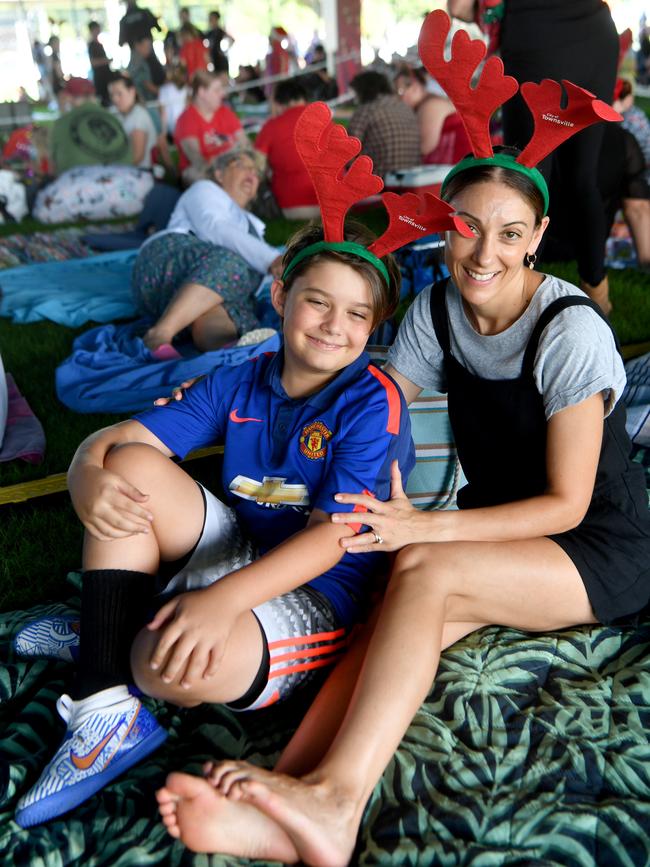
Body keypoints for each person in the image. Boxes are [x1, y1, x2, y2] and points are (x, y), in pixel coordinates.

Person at [151, 19, 650, 864]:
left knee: (421, 562)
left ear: (536, 236)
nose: (482, 251)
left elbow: (568, 504)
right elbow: (367, 398)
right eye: (465, 226)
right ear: (443, 224)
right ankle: (292, 789)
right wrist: (246, 392)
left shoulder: (568, 329)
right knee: (394, 604)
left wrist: (423, 524)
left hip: (593, 545)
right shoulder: (433, 311)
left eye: (507, 232)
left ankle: (335, 807)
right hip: (497, 527)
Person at [13, 216, 416, 830]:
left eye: (358, 314)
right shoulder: (240, 376)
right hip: (243, 548)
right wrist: (81, 474)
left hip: (320, 590)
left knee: (161, 664)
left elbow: (333, 538)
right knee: (129, 467)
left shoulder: (370, 398)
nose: (336, 326)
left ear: (374, 325)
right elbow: (120, 440)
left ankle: (110, 627)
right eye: (317, 302)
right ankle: (105, 707)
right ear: (281, 295)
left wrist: (222, 602)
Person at [448, 0, 620, 313]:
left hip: (535, 35)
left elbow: (458, 7)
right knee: (583, 177)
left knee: (527, 174)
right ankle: (598, 296)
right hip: (596, 32)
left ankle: (516, 302)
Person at [132, 146, 282, 351]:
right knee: (231, 265)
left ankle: (228, 353)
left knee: (229, 310)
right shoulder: (205, 190)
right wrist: (272, 259)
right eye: (241, 165)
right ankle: (159, 335)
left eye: (255, 172)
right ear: (219, 174)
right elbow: (214, 227)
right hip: (167, 265)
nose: (251, 174)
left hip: (208, 292)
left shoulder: (254, 227)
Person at [254, 79, 319, 219]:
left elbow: (256, 166)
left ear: (277, 101)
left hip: (294, 207)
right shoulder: (324, 120)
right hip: (336, 205)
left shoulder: (272, 126)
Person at [174, 70, 247, 185]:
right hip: (206, 175)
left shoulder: (225, 112)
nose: (222, 93)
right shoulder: (186, 120)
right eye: (217, 90)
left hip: (229, 168)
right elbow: (197, 160)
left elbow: (245, 144)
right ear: (202, 92)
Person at [348, 70, 421, 177]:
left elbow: (348, 148)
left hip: (380, 181)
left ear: (362, 90)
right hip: (411, 179)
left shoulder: (367, 110)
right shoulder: (404, 107)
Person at [394, 66, 470, 165]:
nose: (400, 98)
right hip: (457, 163)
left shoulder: (429, 106)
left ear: (415, 87)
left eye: (401, 91)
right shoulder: (429, 103)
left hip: (458, 163)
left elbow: (425, 147)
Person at [108, 73, 158, 169]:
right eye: (112, 95)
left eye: (119, 94)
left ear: (132, 92)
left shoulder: (138, 117)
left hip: (140, 172)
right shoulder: (121, 115)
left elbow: (137, 157)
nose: (115, 99)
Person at [87, 21, 112, 107]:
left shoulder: (99, 44)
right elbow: (93, 62)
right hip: (100, 78)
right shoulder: (91, 45)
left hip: (105, 76)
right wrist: (106, 61)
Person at [206, 10, 233, 74]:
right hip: (213, 61)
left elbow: (231, 40)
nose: (210, 21)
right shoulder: (209, 33)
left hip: (221, 62)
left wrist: (224, 51)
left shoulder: (221, 32)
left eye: (212, 18)